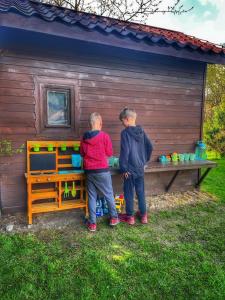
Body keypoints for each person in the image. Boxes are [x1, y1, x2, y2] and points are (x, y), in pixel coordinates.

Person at [80, 112, 119, 232]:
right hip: (102, 170)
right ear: (99, 123)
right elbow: (109, 153)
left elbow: (82, 153)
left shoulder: (84, 138)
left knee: (92, 196)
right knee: (108, 193)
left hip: (89, 171)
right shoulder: (104, 136)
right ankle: (113, 218)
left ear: (90, 123)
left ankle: (92, 224)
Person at [119, 108, 153, 225]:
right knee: (140, 191)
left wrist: (123, 168)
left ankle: (130, 217)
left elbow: (125, 151)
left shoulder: (125, 133)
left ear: (127, 119)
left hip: (129, 169)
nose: (122, 124)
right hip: (140, 168)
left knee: (128, 192)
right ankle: (143, 216)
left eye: (122, 121)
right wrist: (144, 161)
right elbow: (150, 146)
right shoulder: (142, 132)